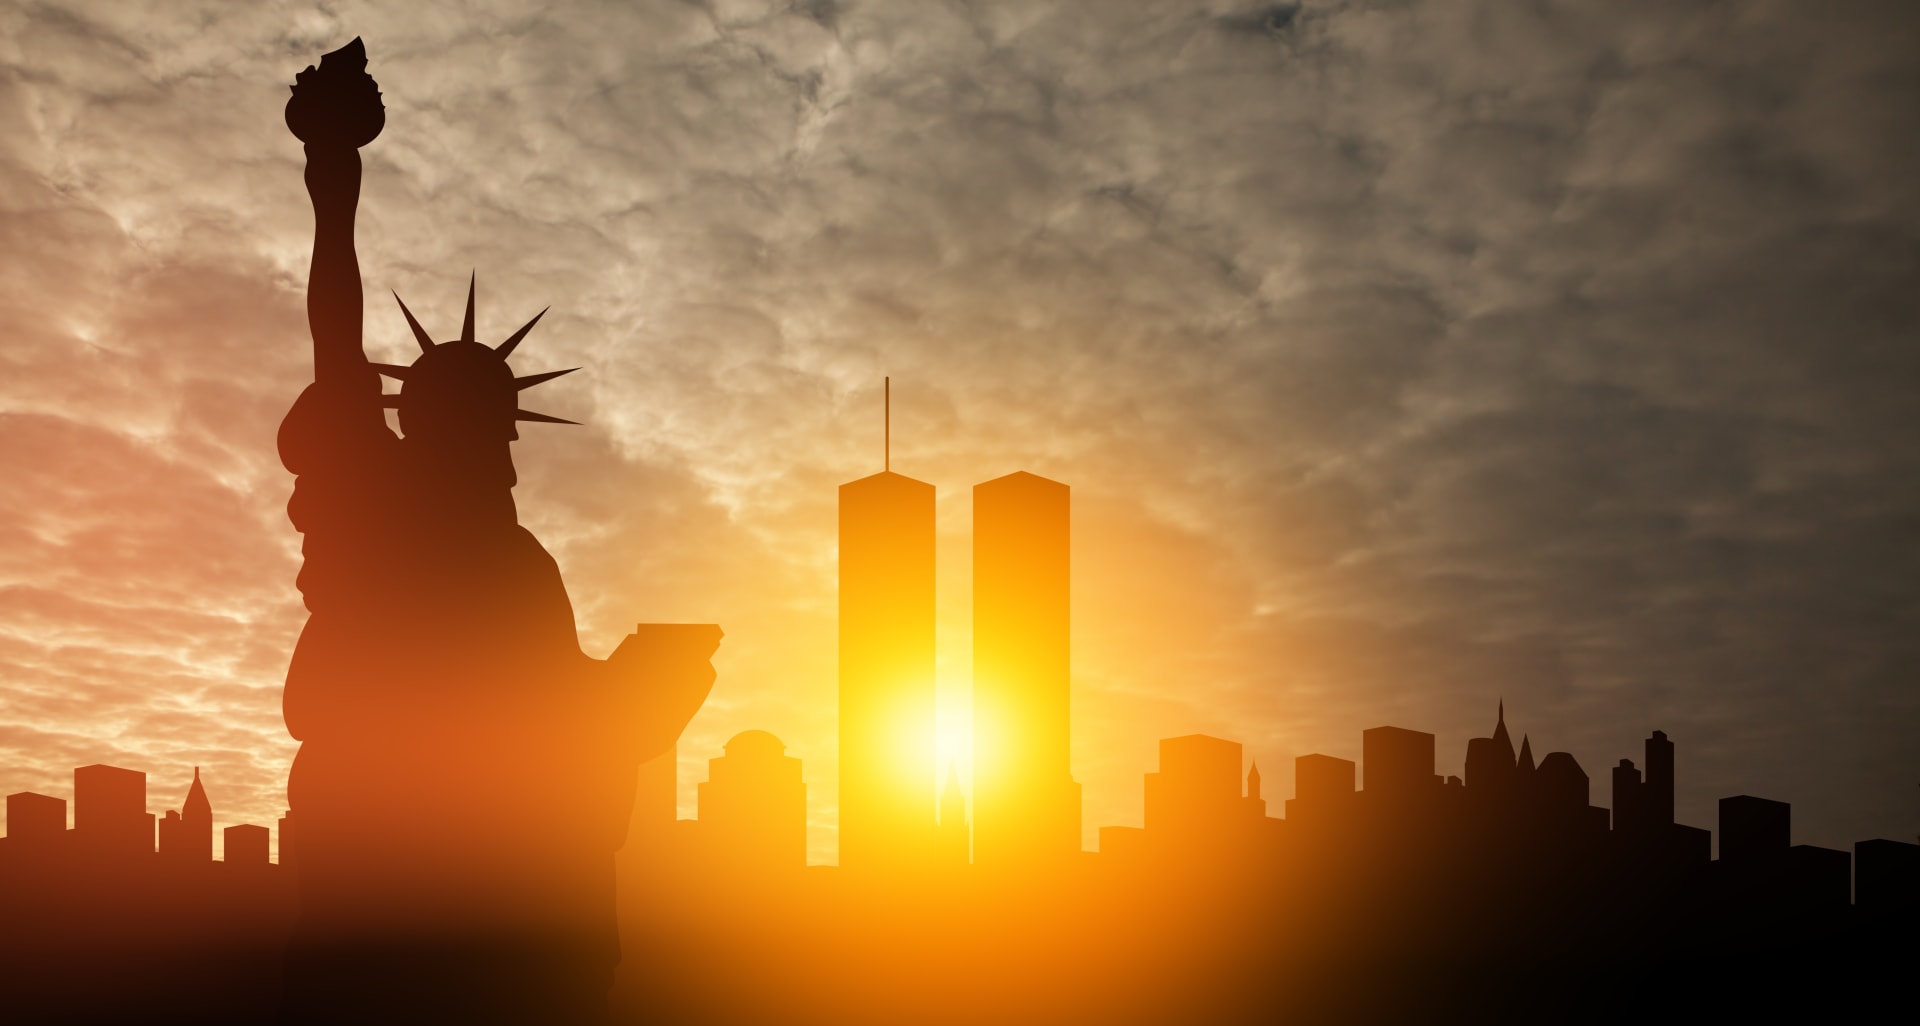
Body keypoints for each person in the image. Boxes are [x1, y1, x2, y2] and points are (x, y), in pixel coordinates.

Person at [278, 39, 715, 1023]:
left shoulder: (521, 565)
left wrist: (650, 678)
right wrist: (334, 169)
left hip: (516, 918)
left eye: (499, 427)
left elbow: (553, 730)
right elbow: (335, 331)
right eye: (479, 424)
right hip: (390, 889)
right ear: (432, 424)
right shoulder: (374, 500)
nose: (496, 449)